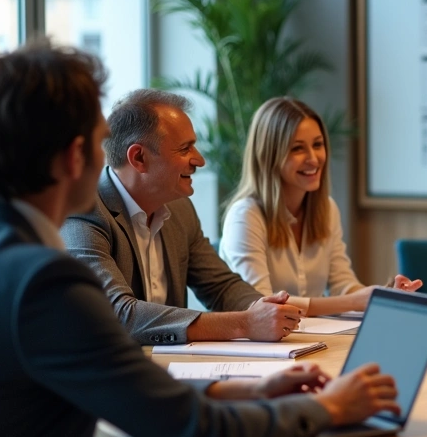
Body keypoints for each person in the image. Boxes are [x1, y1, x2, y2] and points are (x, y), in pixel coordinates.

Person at [0, 40, 400, 437]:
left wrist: (250, 389)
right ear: (74, 156)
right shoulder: (42, 283)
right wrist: (327, 408)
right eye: (100, 143)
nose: (108, 157)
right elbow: (198, 436)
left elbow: (131, 378)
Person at [61, 88, 303, 345]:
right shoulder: (82, 211)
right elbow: (119, 315)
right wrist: (245, 323)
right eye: (185, 148)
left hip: (169, 368)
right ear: (139, 158)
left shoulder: (180, 209)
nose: (199, 160)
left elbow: (220, 286)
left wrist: (262, 307)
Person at [220, 97, 421, 316]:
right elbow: (262, 304)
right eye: (297, 148)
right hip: (253, 347)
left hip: (309, 339)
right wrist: (354, 301)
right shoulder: (245, 216)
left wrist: (383, 297)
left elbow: (343, 284)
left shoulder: (327, 209)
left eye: (318, 145)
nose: (313, 158)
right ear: (269, 156)